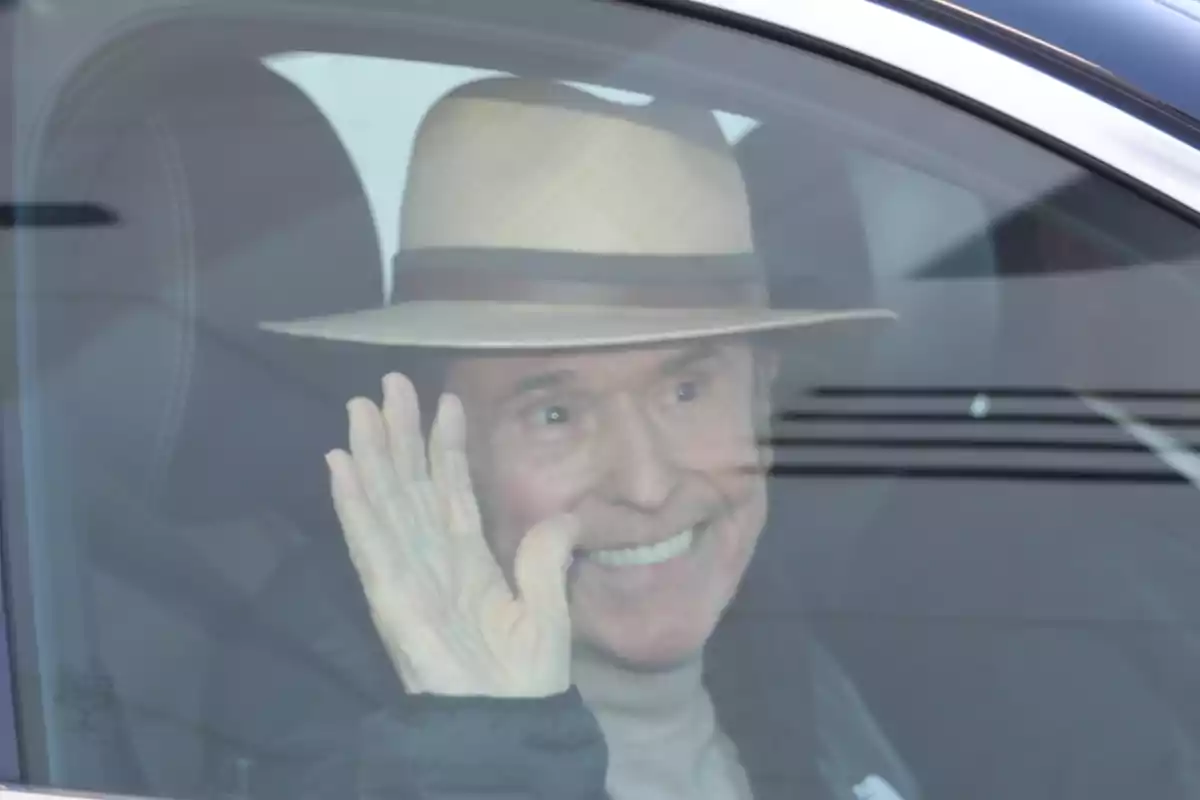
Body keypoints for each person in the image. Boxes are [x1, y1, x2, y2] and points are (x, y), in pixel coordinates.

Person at [205, 76, 912, 800]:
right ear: (433, 447)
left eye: (686, 390)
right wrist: (487, 756)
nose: (647, 485)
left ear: (761, 396)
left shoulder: (786, 642)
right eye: (554, 414)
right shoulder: (324, 736)